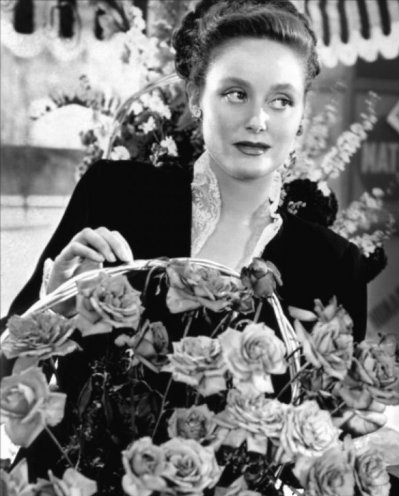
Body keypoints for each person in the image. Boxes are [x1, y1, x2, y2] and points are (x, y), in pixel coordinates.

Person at [4, 0, 366, 340]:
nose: (258, 120)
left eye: (282, 101)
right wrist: (52, 306)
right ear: (195, 96)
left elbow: (339, 387)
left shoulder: (335, 264)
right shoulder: (113, 196)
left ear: (302, 113)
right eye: (236, 94)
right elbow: (7, 360)